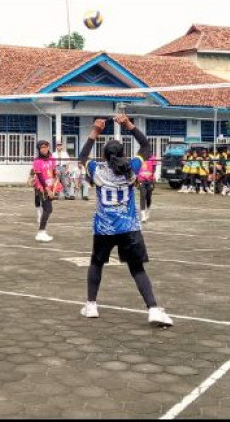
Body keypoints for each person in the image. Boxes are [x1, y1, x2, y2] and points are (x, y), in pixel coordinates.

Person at [77, 115, 173, 327]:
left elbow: (82, 155)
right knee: (137, 268)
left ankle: (91, 305)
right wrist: (128, 125)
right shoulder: (132, 168)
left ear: (104, 155)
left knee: (96, 263)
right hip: (129, 228)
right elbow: (146, 146)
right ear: (123, 153)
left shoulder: (97, 170)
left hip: (104, 228)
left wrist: (95, 131)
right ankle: (153, 309)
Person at [32, 140, 61, 242]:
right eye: (42, 147)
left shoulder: (52, 159)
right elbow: (39, 176)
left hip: (51, 184)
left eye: (46, 147)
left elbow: (53, 171)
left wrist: (55, 173)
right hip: (42, 186)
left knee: (47, 208)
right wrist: (47, 189)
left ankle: (41, 226)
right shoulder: (37, 161)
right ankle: (41, 232)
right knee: (48, 209)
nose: (44, 149)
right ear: (39, 149)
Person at [137, 153, 158, 222]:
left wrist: (152, 178)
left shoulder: (153, 158)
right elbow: (136, 169)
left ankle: (148, 209)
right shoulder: (139, 158)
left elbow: (154, 169)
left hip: (149, 180)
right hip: (141, 180)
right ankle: (143, 215)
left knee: (148, 197)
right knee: (142, 196)